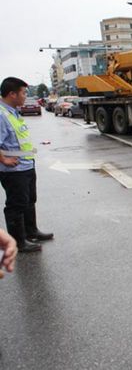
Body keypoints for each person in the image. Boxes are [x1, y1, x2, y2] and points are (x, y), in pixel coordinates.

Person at [0, 77, 54, 253]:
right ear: (12, 94)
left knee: (29, 200)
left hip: (26, 166)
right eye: (23, 93)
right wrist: (4, 160)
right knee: (16, 205)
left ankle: (31, 232)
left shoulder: (12, 111)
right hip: (13, 170)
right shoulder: (1, 115)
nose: (25, 96)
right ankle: (18, 242)